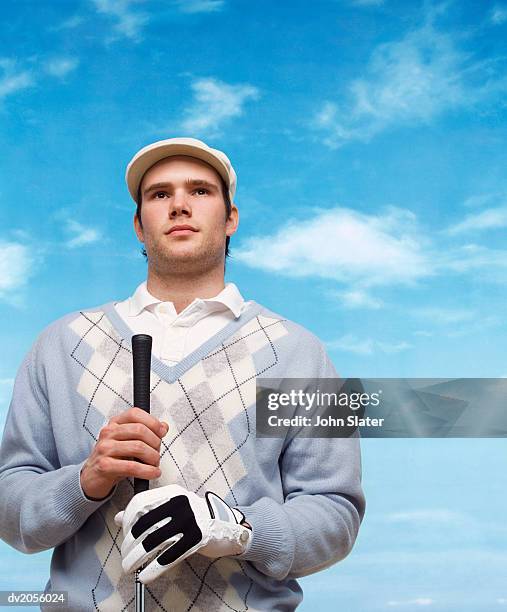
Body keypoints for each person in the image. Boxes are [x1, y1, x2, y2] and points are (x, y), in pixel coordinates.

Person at [0, 137, 366, 611]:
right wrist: (85, 481)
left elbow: (337, 515)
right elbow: (10, 508)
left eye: (199, 191)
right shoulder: (58, 344)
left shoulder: (303, 352)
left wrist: (233, 527)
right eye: (159, 194)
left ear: (231, 218)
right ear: (138, 225)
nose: (178, 206)